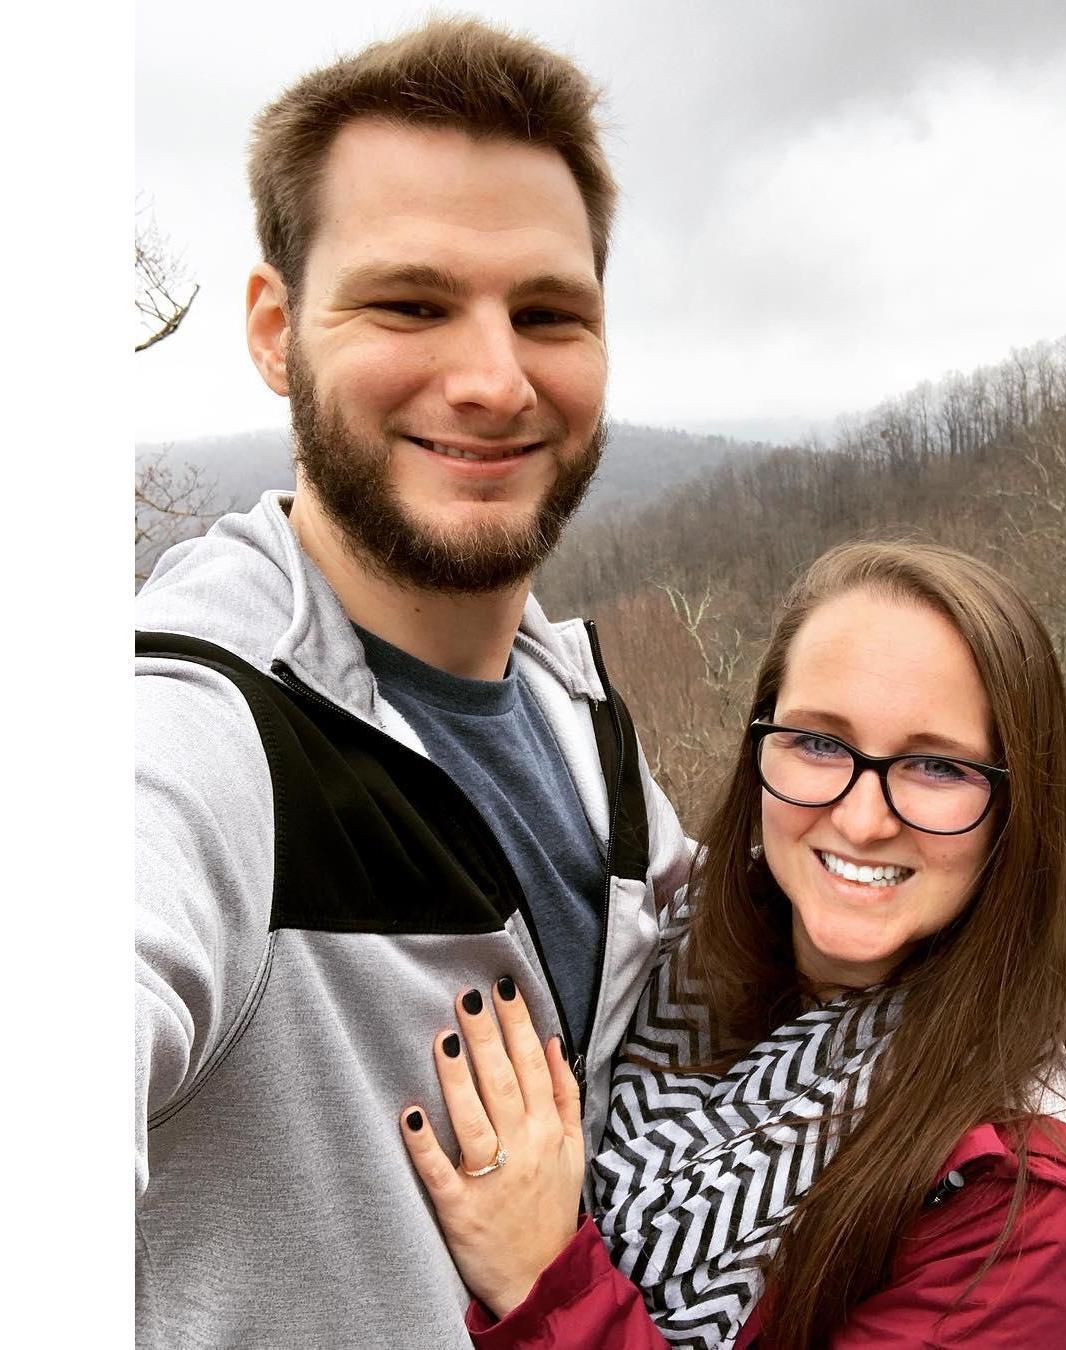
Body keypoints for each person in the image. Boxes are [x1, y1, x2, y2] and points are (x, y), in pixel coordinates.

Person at [134, 18, 690, 1348]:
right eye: (410, 304)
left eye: (547, 314)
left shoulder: (575, 708)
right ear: (277, 332)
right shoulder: (195, 736)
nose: (494, 381)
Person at [399, 540, 1066, 1348]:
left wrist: (545, 1280)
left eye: (937, 766)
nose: (862, 820)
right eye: (819, 743)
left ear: (1016, 808)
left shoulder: (1030, 1213)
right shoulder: (670, 950)